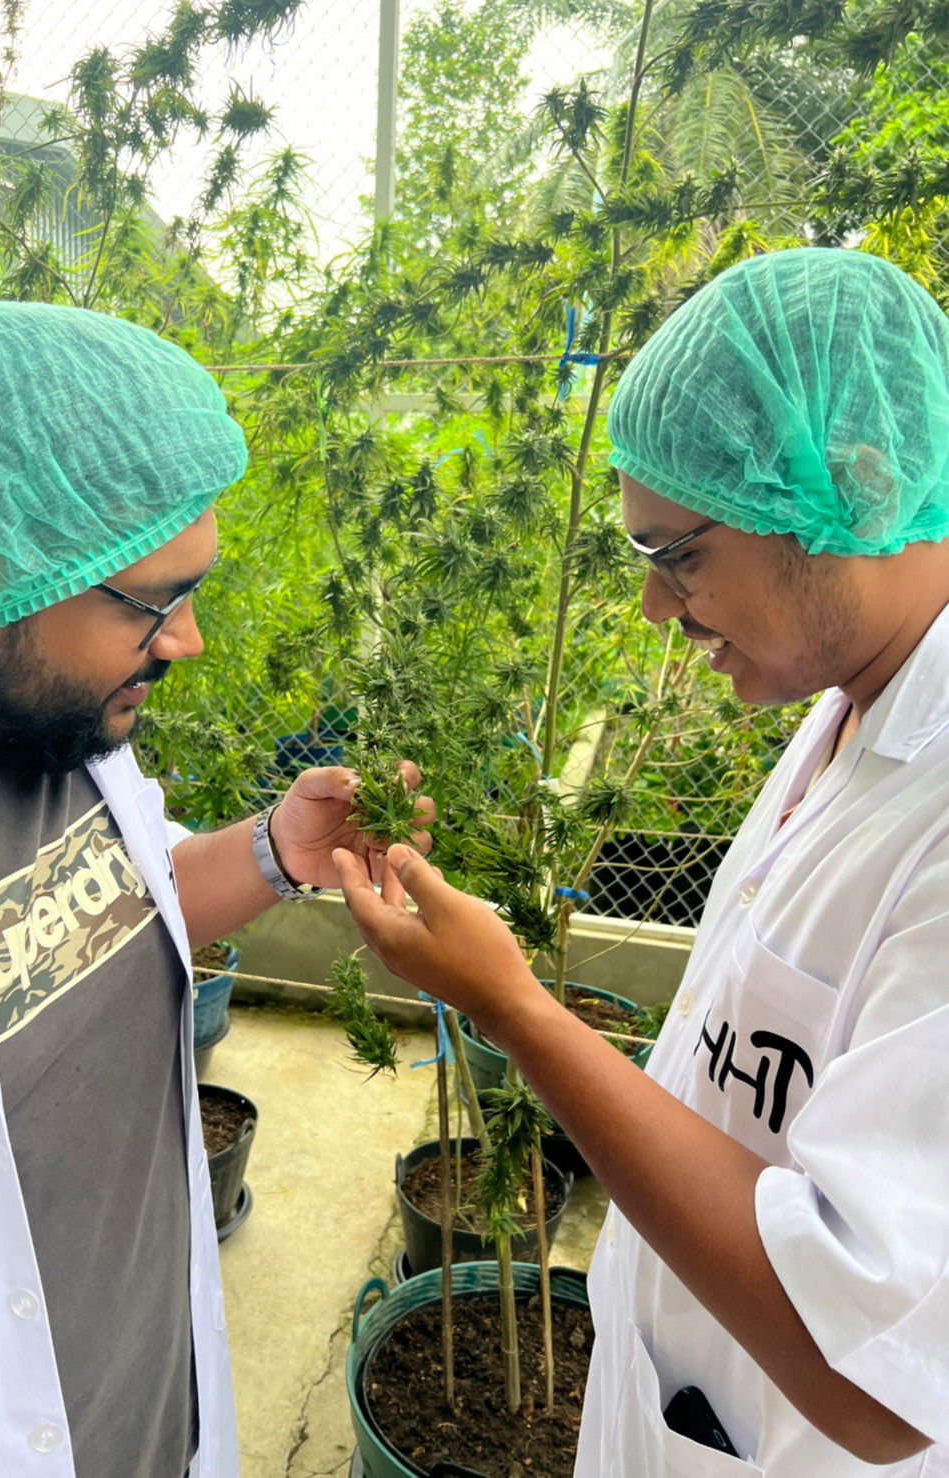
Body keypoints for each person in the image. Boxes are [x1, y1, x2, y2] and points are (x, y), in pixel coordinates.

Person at [334, 248, 949, 1476]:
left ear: (855, 489)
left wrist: (511, 1006)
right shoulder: (851, 710)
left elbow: (882, 1370)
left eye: (675, 553)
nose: (658, 609)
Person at [0, 301, 432, 1478]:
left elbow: (102, 912)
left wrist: (273, 849)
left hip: (156, 1413)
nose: (188, 640)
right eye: (151, 600)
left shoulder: (57, 724)